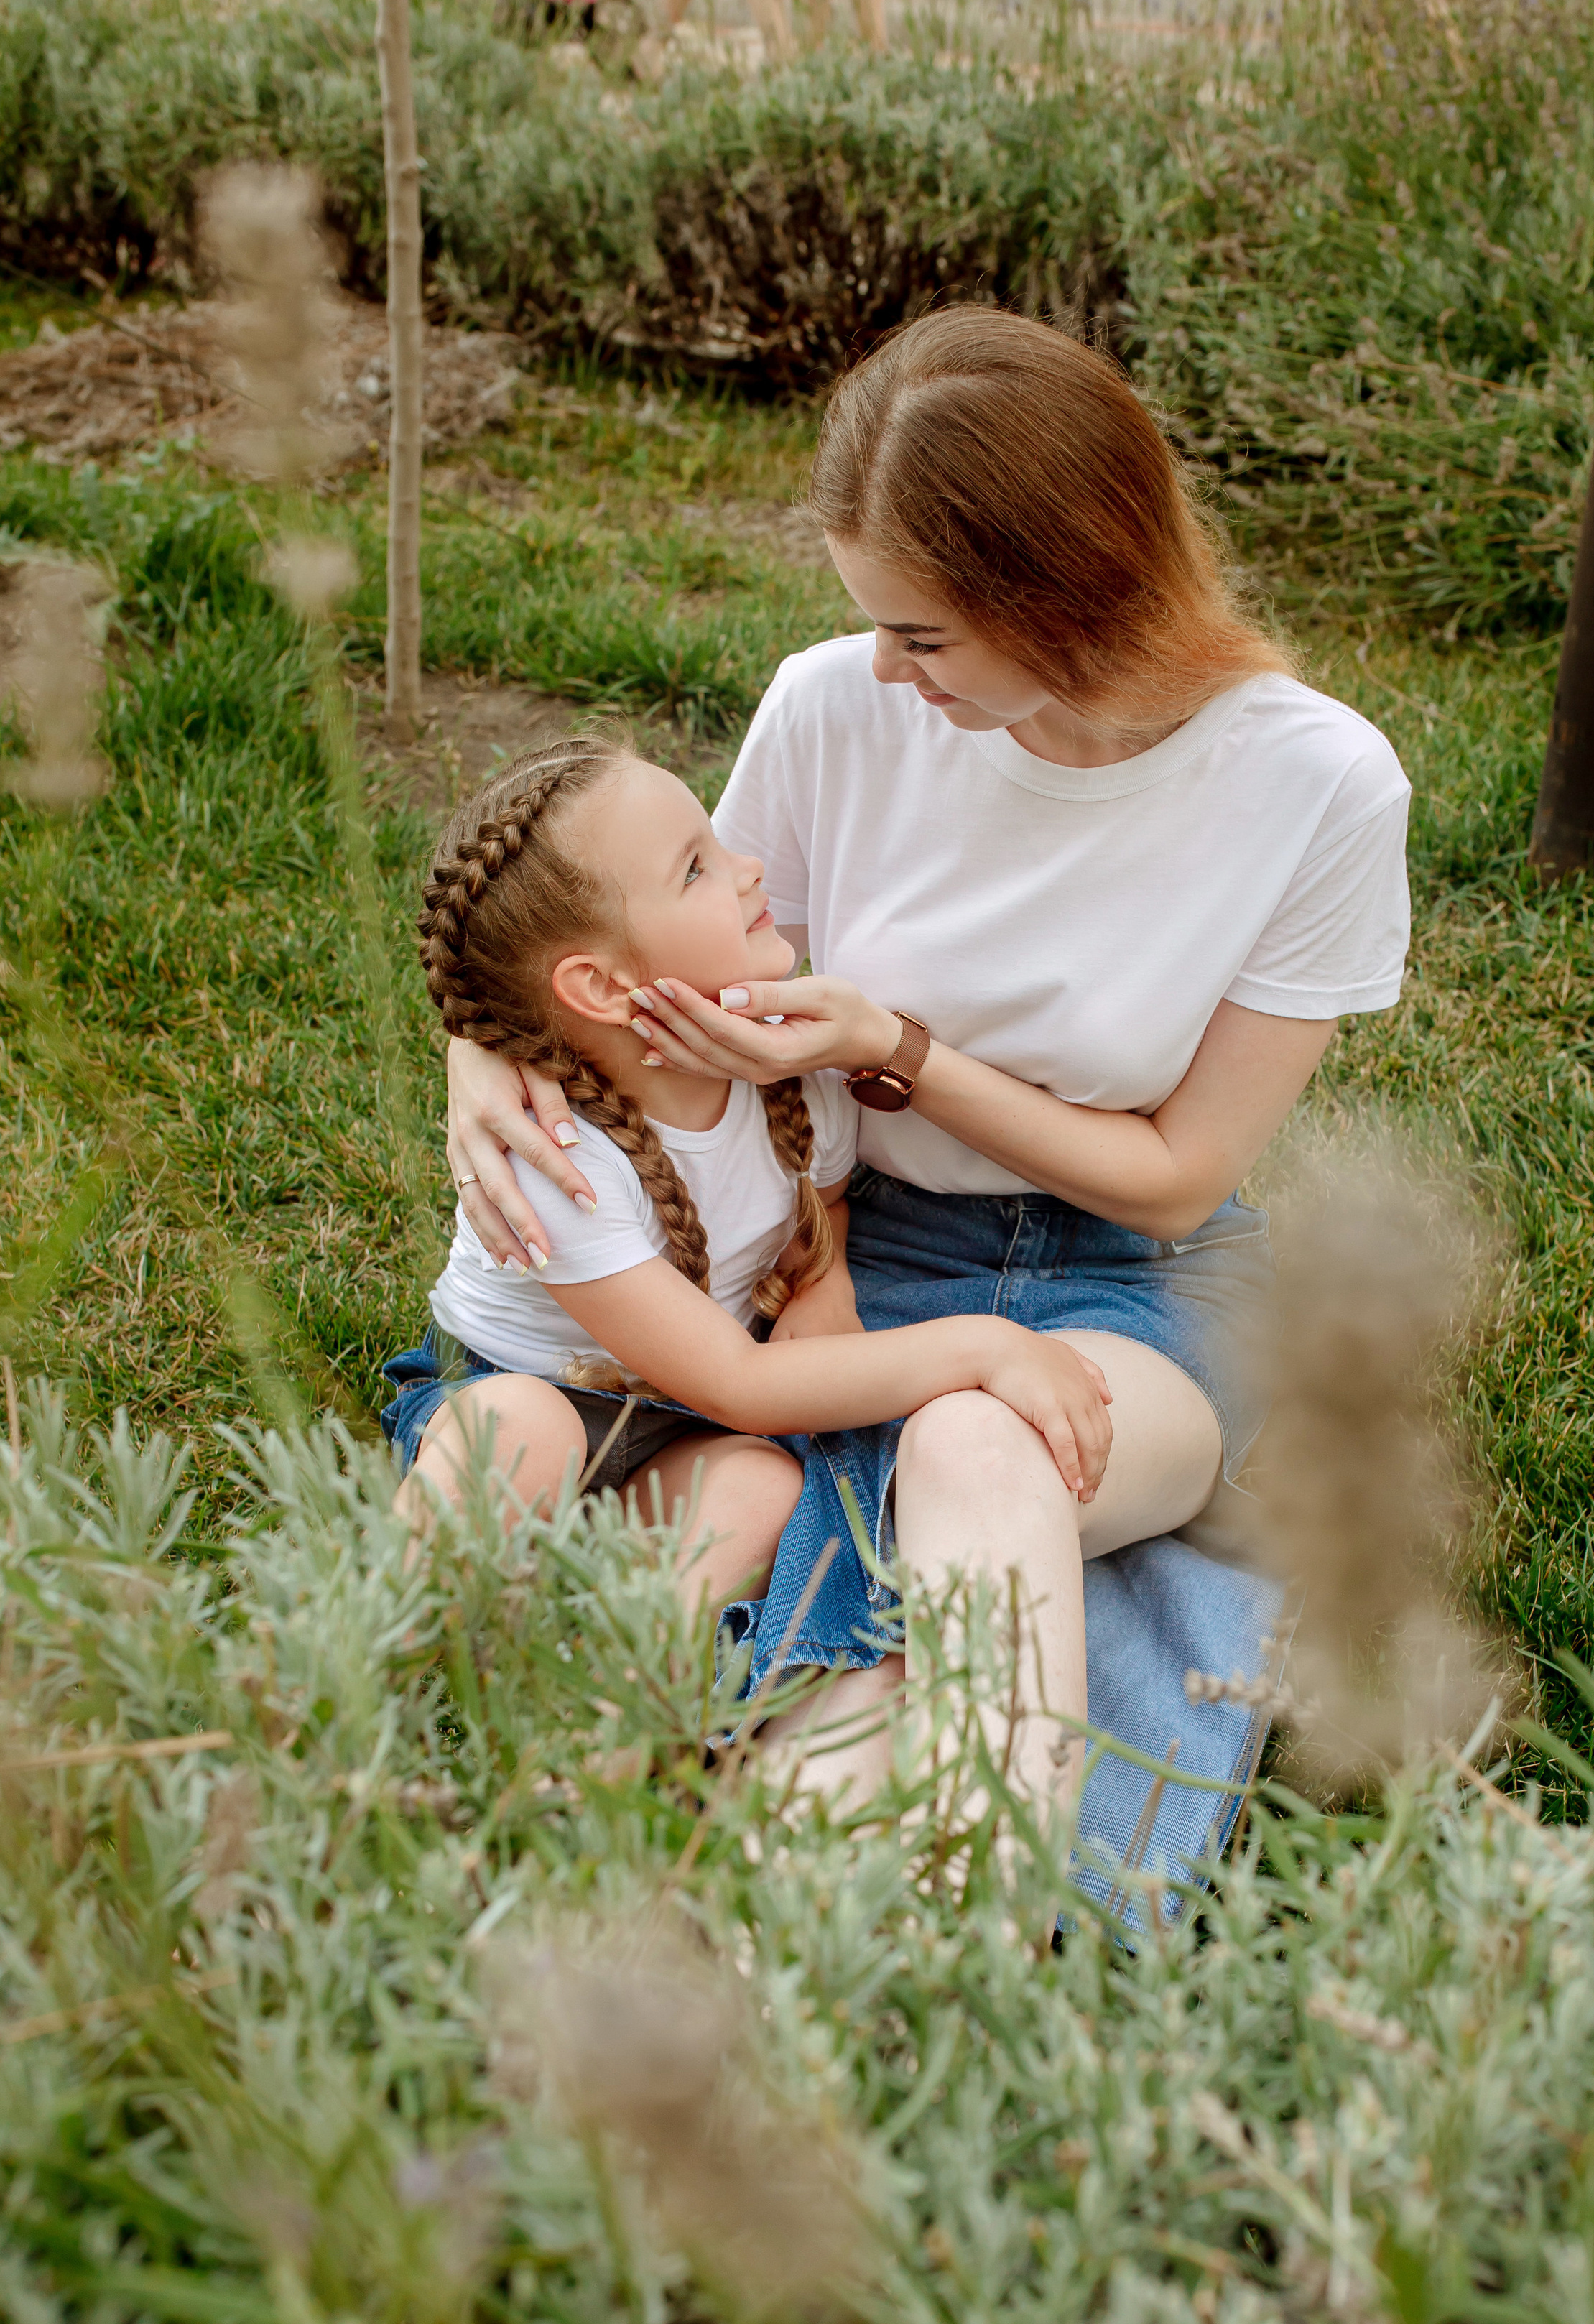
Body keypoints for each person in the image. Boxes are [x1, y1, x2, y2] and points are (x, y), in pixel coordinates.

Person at [442, 308, 1411, 1861]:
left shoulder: (1316, 785)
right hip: (856, 1251)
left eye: (927, 635)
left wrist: (894, 1050)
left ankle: (943, 1904)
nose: (888, 672)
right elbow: (622, 944)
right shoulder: (834, 707)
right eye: (875, 625)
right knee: (906, 1564)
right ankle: (863, 1919)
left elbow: (1175, 1176)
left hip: (1143, 1278)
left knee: (977, 1450)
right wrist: (475, 1050)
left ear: (1076, 590)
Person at [381, 733, 1113, 1619]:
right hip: (525, 1393)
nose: (751, 869)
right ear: (604, 989)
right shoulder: (554, 1156)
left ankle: (606, 1713)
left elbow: (823, 1203)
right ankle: (392, 1641)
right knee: (522, 1437)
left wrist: (823, 1277)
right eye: (698, 868)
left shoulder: (795, 1075)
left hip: (675, 1435)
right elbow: (743, 1384)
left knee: (763, 1490)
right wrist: (988, 1348)